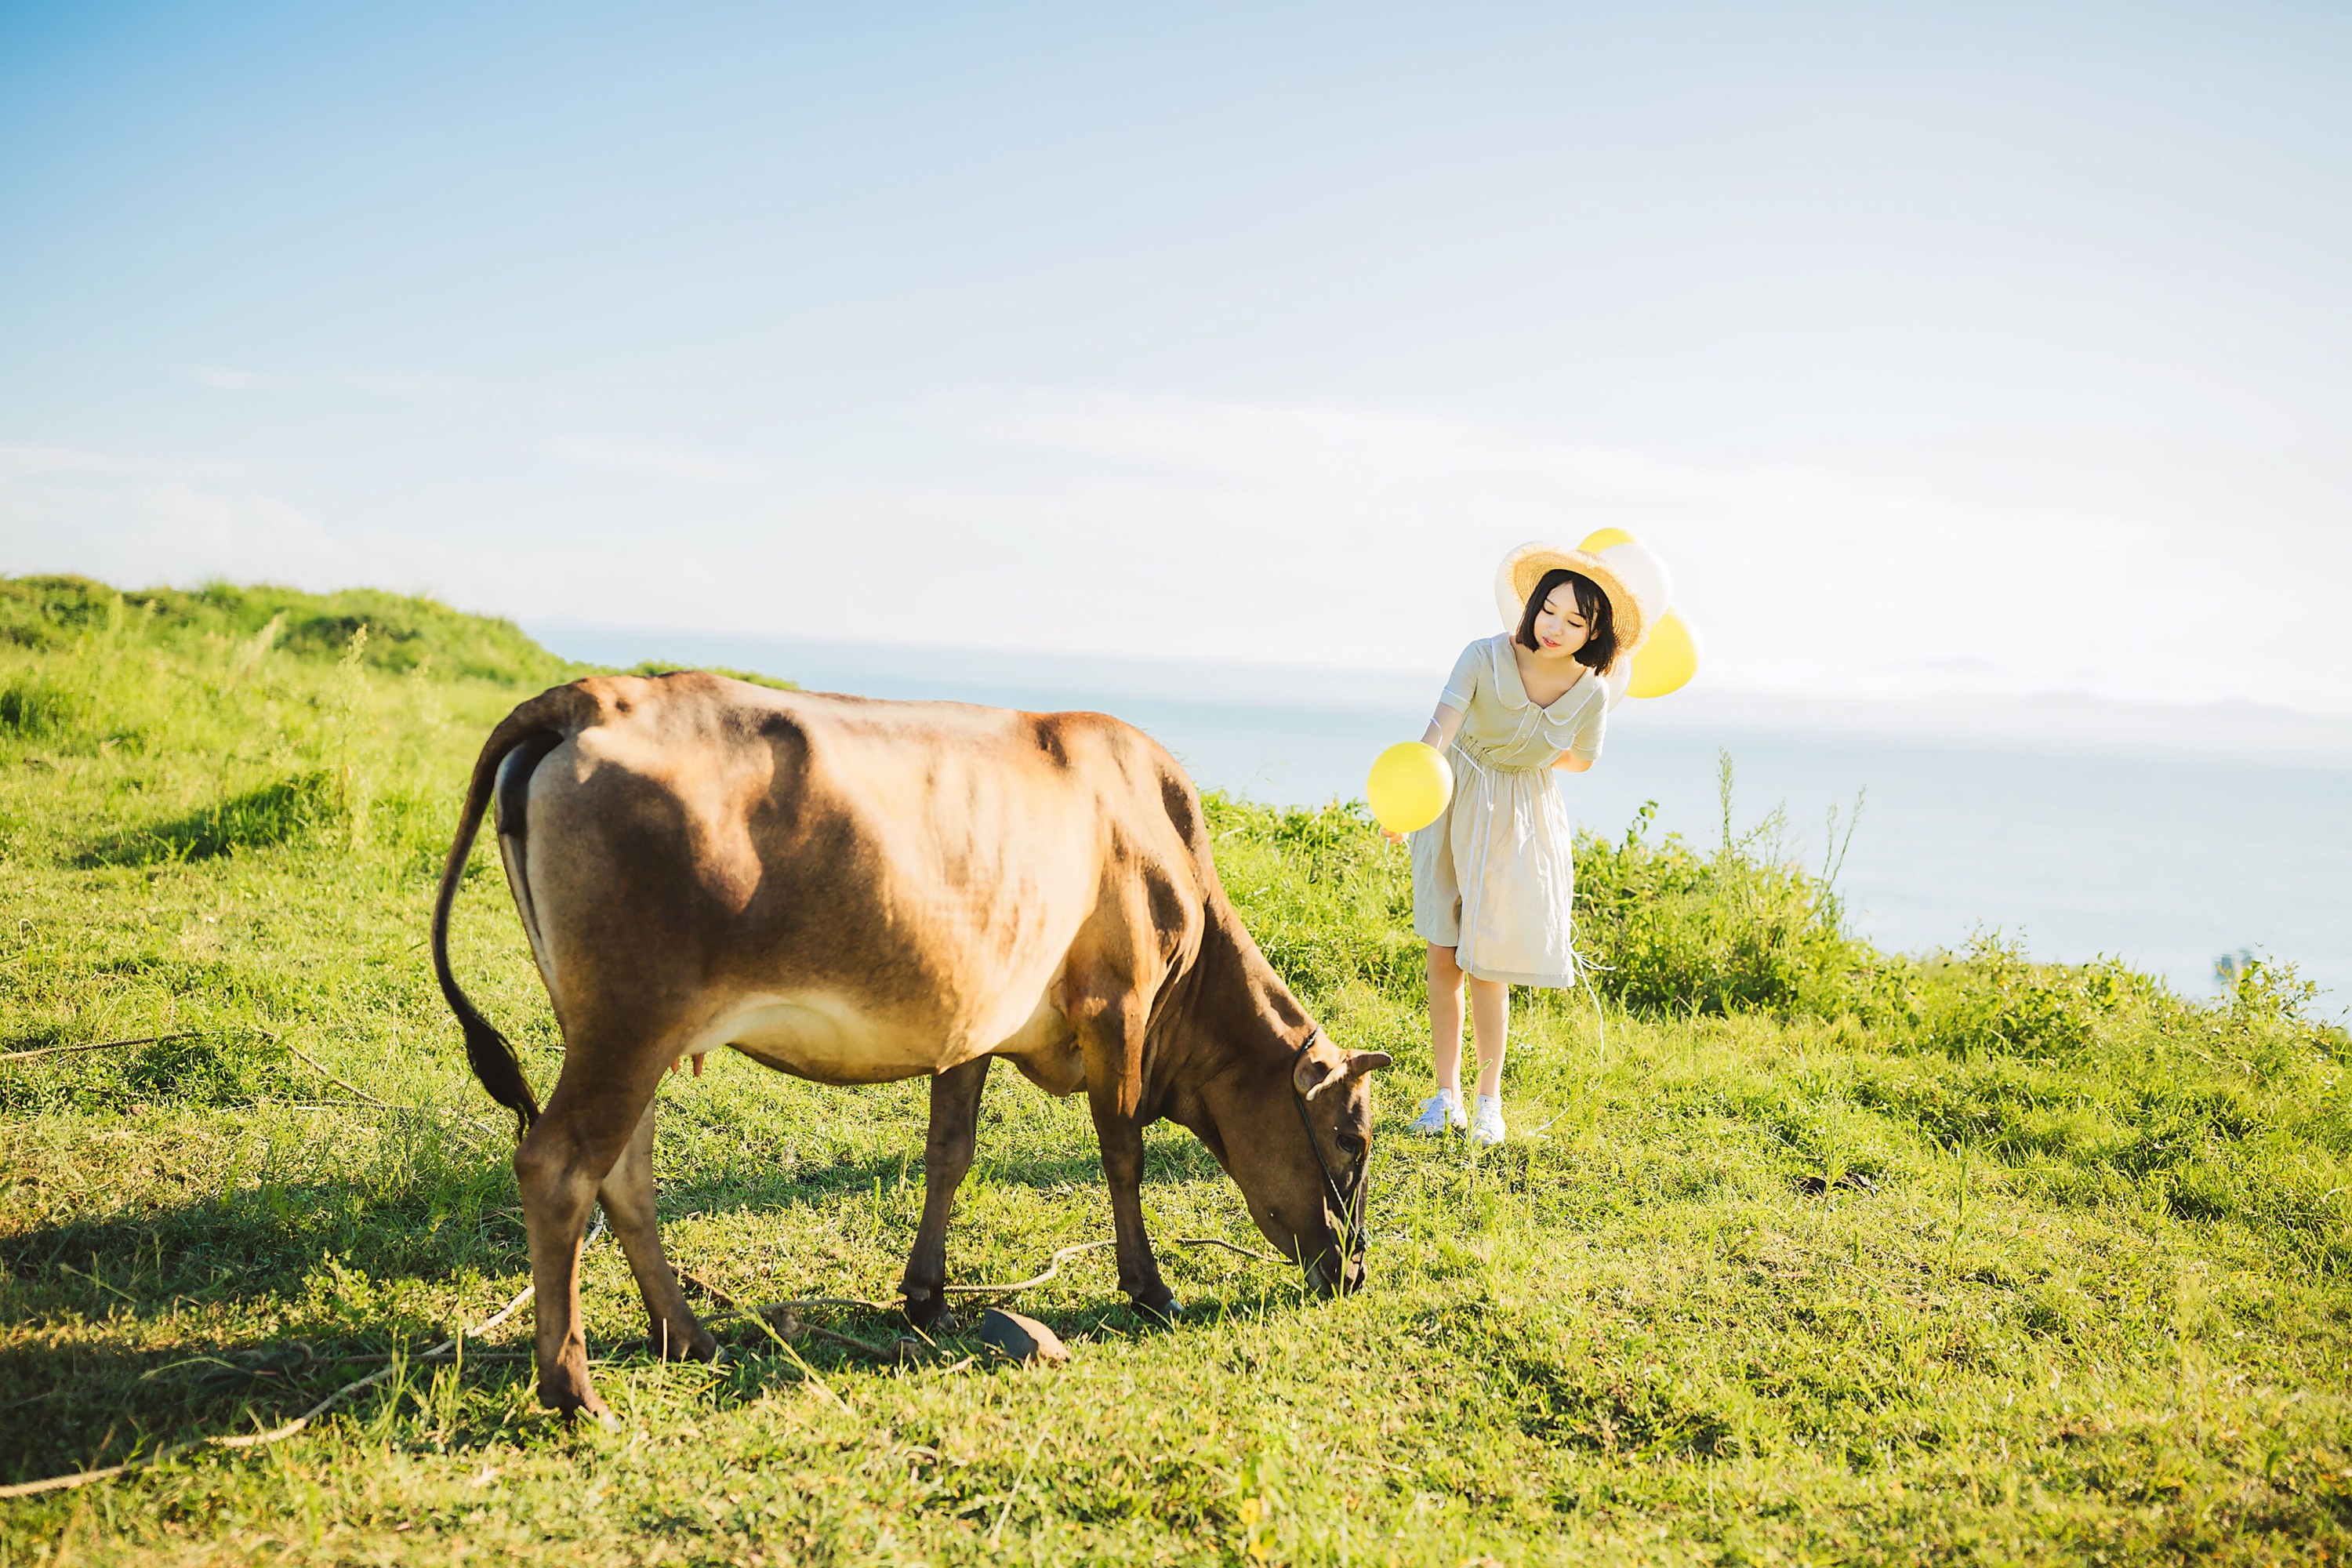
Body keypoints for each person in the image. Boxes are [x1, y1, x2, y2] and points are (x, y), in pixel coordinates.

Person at [1393, 542, 1649, 1145]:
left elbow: (1583, 760)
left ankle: (1488, 1104)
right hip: (1453, 799)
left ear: (1595, 631)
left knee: (1490, 964)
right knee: (1444, 955)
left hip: (1519, 817)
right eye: (1549, 610)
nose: (1556, 627)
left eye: (1576, 620)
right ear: (1532, 606)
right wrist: (1409, 799)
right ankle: (1444, 1096)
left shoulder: (1592, 691)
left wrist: (1519, 767)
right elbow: (1439, 730)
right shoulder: (1483, 656)